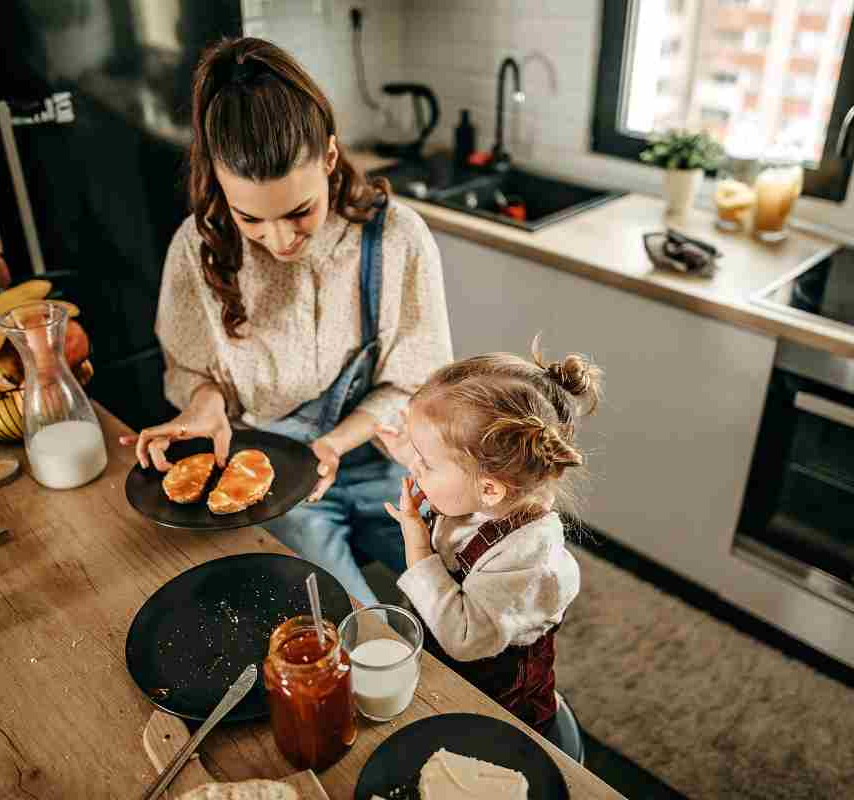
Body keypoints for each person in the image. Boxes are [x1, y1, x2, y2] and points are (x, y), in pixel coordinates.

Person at [121, 37, 452, 607]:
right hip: (272, 473)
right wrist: (202, 405)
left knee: (471, 592)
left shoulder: (398, 238)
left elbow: (417, 381)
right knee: (352, 629)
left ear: (328, 158)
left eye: (300, 212)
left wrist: (335, 444)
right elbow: (188, 369)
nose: (279, 240)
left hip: (383, 460)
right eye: (251, 218)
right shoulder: (194, 247)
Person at [381, 339, 599, 732]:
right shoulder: (498, 492)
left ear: (490, 489)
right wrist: (417, 453)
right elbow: (460, 479)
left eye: (426, 462)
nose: (416, 468)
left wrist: (417, 546)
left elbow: (464, 637)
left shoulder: (529, 560)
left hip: (493, 702)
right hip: (438, 666)